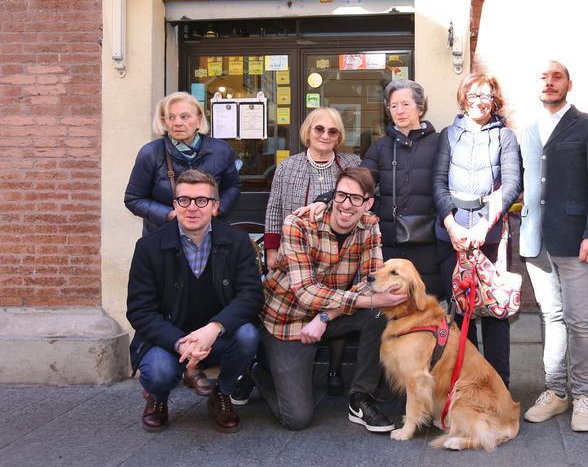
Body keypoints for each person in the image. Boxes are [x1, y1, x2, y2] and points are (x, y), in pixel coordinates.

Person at [254, 167, 407, 432]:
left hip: (326, 316)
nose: (346, 205)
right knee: (297, 419)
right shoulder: (298, 224)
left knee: (381, 313)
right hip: (287, 320)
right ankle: (259, 373)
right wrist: (367, 301)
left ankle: (360, 398)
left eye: (356, 198)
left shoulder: (370, 225)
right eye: (341, 195)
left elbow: (372, 281)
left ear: (368, 203)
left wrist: (325, 317)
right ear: (332, 196)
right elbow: (305, 291)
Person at [126, 169, 263, 433]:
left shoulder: (237, 242)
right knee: (159, 372)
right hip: (167, 340)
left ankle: (222, 393)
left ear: (215, 207)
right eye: (184, 200)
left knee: (247, 335)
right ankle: (158, 397)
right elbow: (140, 311)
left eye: (201, 200)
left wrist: (214, 329)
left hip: (218, 337)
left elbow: (251, 295)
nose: (192, 208)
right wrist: (180, 343)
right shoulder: (148, 247)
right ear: (174, 205)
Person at [519, 60, 588, 432]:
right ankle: (556, 392)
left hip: (576, 240)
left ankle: (584, 396)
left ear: (569, 84)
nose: (550, 82)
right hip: (536, 241)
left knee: (579, 320)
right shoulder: (527, 131)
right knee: (551, 318)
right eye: (543, 77)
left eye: (557, 76)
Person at [433, 73, 522, 388]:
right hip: (452, 237)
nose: (478, 100)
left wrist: (485, 223)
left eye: (485, 95)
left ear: (494, 100)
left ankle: (498, 392)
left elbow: (511, 184)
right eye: (472, 94)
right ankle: (466, 390)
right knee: (461, 316)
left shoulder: (505, 137)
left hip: (490, 238)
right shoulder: (447, 135)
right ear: (462, 97)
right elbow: (438, 183)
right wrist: (451, 223)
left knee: (495, 315)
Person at [263, 106, 361, 395]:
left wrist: (328, 200)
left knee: (336, 299)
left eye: (332, 131)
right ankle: (294, 360)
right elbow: (274, 209)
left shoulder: (351, 163)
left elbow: (365, 194)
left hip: (338, 254)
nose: (325, 135)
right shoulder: (288, 166)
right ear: (308, 131)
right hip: (297, 256)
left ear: (339, 136)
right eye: (319, 129)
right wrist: (271, 250)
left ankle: (334, 367)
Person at [360, 79, 442, 296]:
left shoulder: (440, 142)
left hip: (428, 243)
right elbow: (361, 182)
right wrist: (327, 200)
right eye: (394, 105)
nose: (399, 111)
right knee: (390, 309)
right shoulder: (380, 147)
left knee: (425, 304)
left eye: (406, 104)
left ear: (420, 107)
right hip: (389, 242)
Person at [125, 92, 241, 235]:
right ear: (164, 122)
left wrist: (217, 210)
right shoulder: (151, 153)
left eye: (185, 116)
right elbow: (134, 199)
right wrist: (170, 214)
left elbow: (232, 187)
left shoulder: (221, 150)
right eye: (171, 117)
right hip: (162, 236)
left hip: (210, 235)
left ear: (199, 120)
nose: (177, 123)